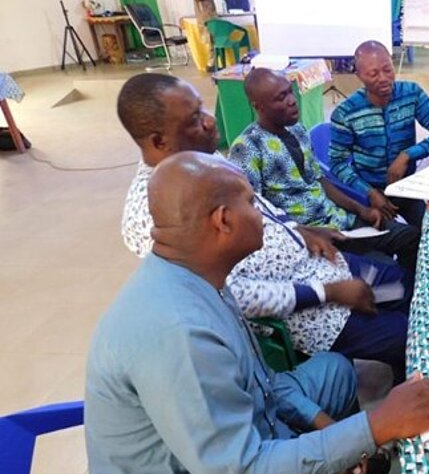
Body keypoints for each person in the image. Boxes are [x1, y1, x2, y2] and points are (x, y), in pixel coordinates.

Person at [85, 152, 429, 474]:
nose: (265, 217)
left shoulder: (197, 277)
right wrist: (375, 426)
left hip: (241, 453)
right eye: (252, 204)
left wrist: (338, 439)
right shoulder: (177, 332)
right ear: (223, 221)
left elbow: (263, 386)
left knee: (334, 372)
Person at [117, 73, 412, 384]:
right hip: (312, 313)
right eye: (194, 119)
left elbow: (260, 204)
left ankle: (401, 369)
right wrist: (326, 292)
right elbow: (228, 293)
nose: (209, 121)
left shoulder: (198, 157)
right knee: (410, 335)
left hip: (321, 263)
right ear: (159, 141)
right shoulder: (153, 208)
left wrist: (301, 231)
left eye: (202, 108)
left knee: (407, 289)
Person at [229, 68, 420, 273]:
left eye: (290, 92)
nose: (292, 101)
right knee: (384, 269)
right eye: (281, 98)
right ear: (258, 106)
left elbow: (320, 180)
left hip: (339, 220)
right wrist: (305, 233)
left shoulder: (297, 129)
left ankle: (408, 291)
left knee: (412, 237)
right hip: (307, 238)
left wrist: (361, 210)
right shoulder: (247, 148)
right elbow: (257, 214)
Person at [329, 40, 429, 228]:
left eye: (388, 70)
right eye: (373, 74)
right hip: (368, 194)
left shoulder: (411, 94)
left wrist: (407, 155)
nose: (383, 78)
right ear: (359, 75)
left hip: (405, 187)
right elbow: (337, 163)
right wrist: (369, 192)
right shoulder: (346, 113)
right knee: (399, 237)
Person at [191, 0, 225, 71]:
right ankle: (210, 65)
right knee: (210, 41)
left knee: (214, 40)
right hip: (205, 16)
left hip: (210, 15)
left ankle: (214, 64)